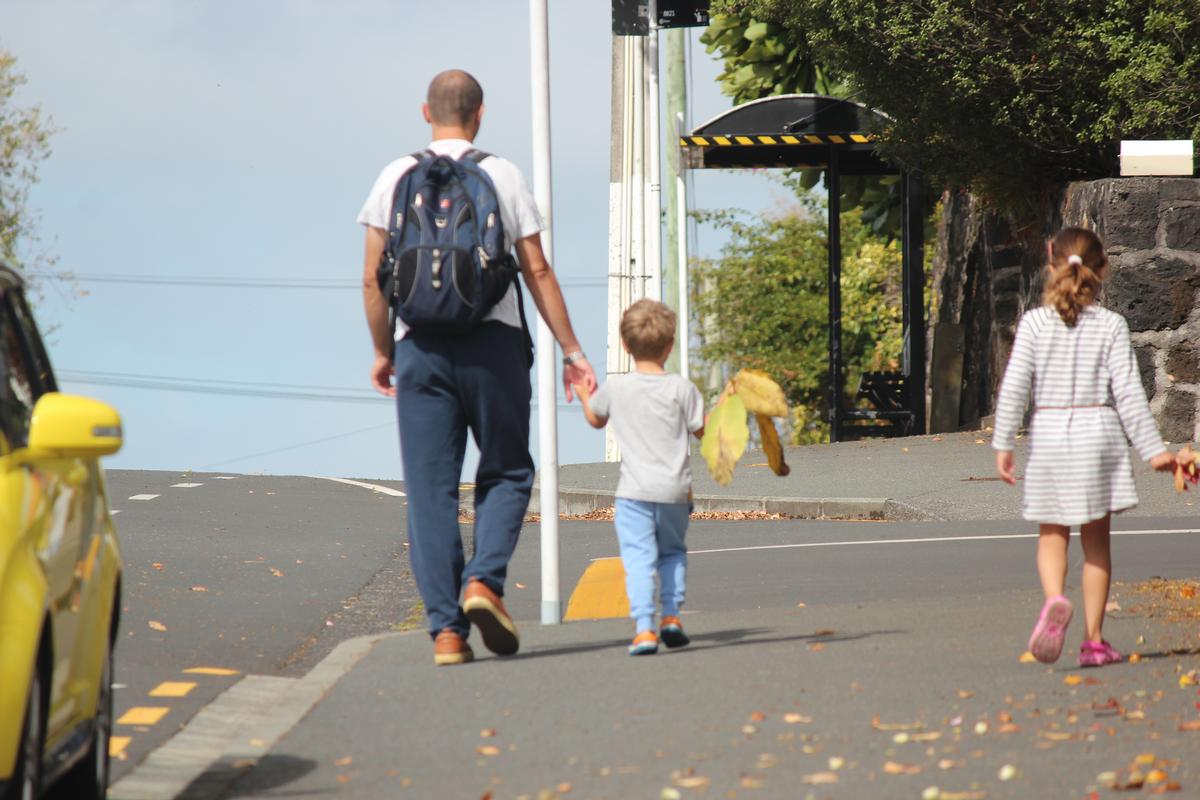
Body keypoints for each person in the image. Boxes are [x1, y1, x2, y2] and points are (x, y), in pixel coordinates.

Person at [358, 70, 597, 666]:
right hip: (495, 345)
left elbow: (371, 278)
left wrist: (385, 350)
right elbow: (537, 270)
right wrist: (573, 352)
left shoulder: (394, 176)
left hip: (421, 349)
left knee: (430, 493)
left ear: (425, 112)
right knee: (508, 470)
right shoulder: (501, 173)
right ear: (480, 114)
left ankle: (445, 633)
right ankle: (483, 582)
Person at [993, 227, 1177, 668]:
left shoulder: (1035, 323)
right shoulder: (1111, 325)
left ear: (1050, 261)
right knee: (1096, 543)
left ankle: (1055, 599)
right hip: (1099, 433)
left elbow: (1015, 387)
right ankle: (1094, 641)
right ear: (1102, 269)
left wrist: (1003, 444)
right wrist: (1155, 451)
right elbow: (1130, 395)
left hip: (1052, 432)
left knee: (1052, 533)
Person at [577, 299, 704, 655]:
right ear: (670, 345)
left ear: (624, 345)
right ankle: (672, 616)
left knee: (638, 559)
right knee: (673, 552)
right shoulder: (682, 389)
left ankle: (645, 627)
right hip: (676, 492)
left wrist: (585, 393)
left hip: (634, 493)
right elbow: (703, 431)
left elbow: (595, 419)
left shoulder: (616, 389)